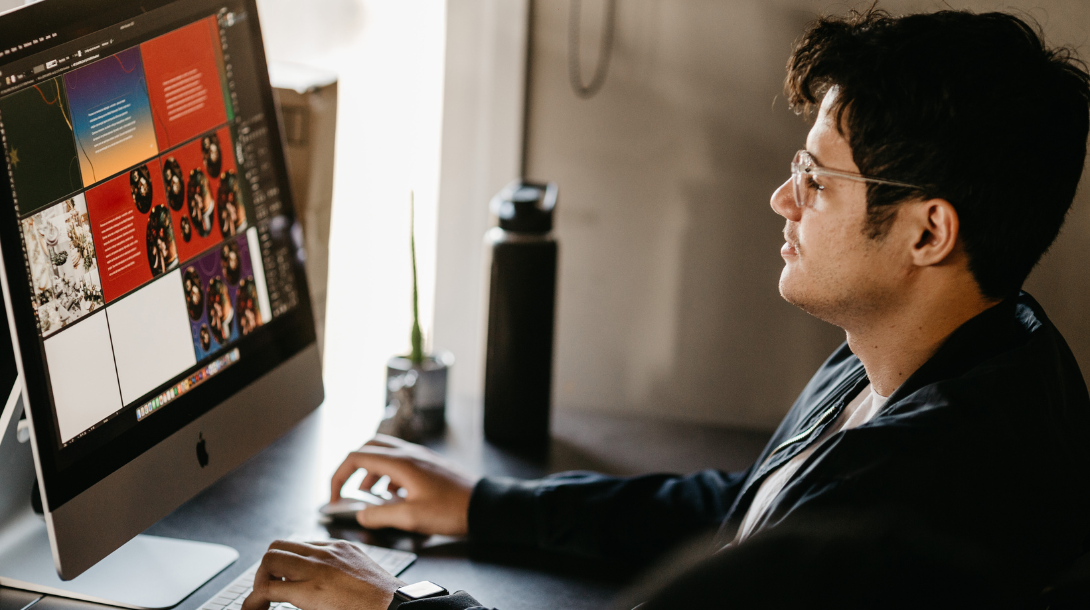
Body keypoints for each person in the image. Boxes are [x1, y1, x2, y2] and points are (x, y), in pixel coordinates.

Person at [242, 7, 1090, 610]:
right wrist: (485, 504)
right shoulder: (947, 343)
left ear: (928, 233)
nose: (780, 200)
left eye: (818, 181)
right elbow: (750, 509)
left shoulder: (924, 491)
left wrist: (396, 604)